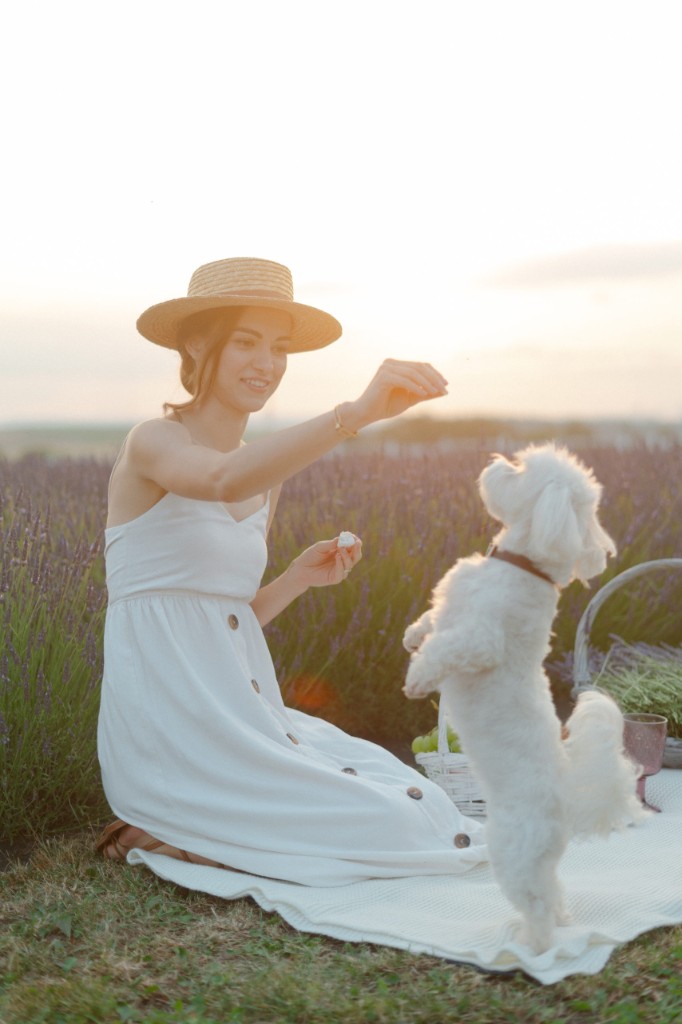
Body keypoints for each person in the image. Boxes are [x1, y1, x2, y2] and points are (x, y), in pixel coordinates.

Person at [96, 257, 487, 884]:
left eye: (279, 348)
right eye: (245, 342)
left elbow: (227, 620)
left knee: (411, 798)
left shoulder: (263, 472)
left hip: (237, 710)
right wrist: (352, 415)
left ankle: (201, 832)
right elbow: (221, 479)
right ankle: (172, 820)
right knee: (387, 823)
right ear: (196, 345)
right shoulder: (154, 441)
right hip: (170, 723)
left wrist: (297, 579)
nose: (267, 363)